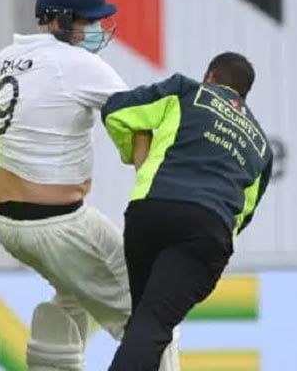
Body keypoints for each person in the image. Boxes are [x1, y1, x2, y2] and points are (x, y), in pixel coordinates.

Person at [0, 0, 179, 370]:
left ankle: (50, 359)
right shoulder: (77, 63)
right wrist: (153, 195)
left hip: (9, 226)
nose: (95, 30)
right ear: (57, 21)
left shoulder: (0, 61)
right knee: (152, 318)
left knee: (73, 293)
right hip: (60, 226)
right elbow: (135, 117)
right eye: (87, 21)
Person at [102, 52, 274, 370]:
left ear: (210, 76)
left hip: (150, 211)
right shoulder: (261, 145)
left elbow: (116, 111)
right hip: (206, 229)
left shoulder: (186, 91)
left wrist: (138, 162)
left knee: (145, 322)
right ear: (245, 94)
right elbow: (243, 214)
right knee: (154, 322)